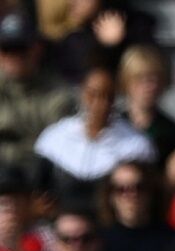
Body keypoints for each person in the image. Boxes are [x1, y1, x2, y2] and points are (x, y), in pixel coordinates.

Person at [33, 64, 156, 205]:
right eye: (93, 95)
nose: (101, 104)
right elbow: (39, 193)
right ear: (82, 93)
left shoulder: (136, 145)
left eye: (108, 97)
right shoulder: (55, 137)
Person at [0, 11, 75, 174]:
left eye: (20, 48)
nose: (14, 57)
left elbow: (54, 147)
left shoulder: (58, 92)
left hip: (39, 177)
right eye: (7, 49)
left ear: (37, 48)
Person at [117, 45, 175, 166]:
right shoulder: (112, 126)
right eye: (140, 79)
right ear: (126, 81)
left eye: (155, 80)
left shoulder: (173, 132)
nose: (150, 87)